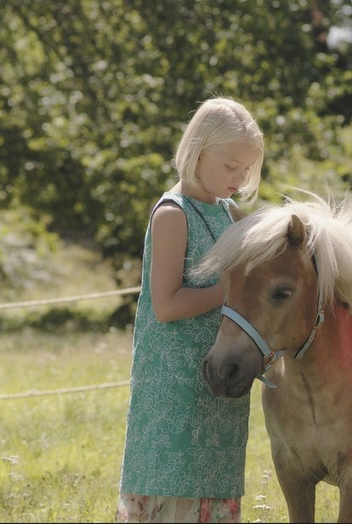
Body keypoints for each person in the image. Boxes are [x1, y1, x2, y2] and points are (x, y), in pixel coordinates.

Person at [116, 96, 264, 523]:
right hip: (173, 383)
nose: (239, 177)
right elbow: (165, 305)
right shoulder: (172, 214)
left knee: (214, 480)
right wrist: (231, 291)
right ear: (197, 152)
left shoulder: (230, 213)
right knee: (173, 477)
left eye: (247, 168)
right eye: (229, 165)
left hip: (221, 372)